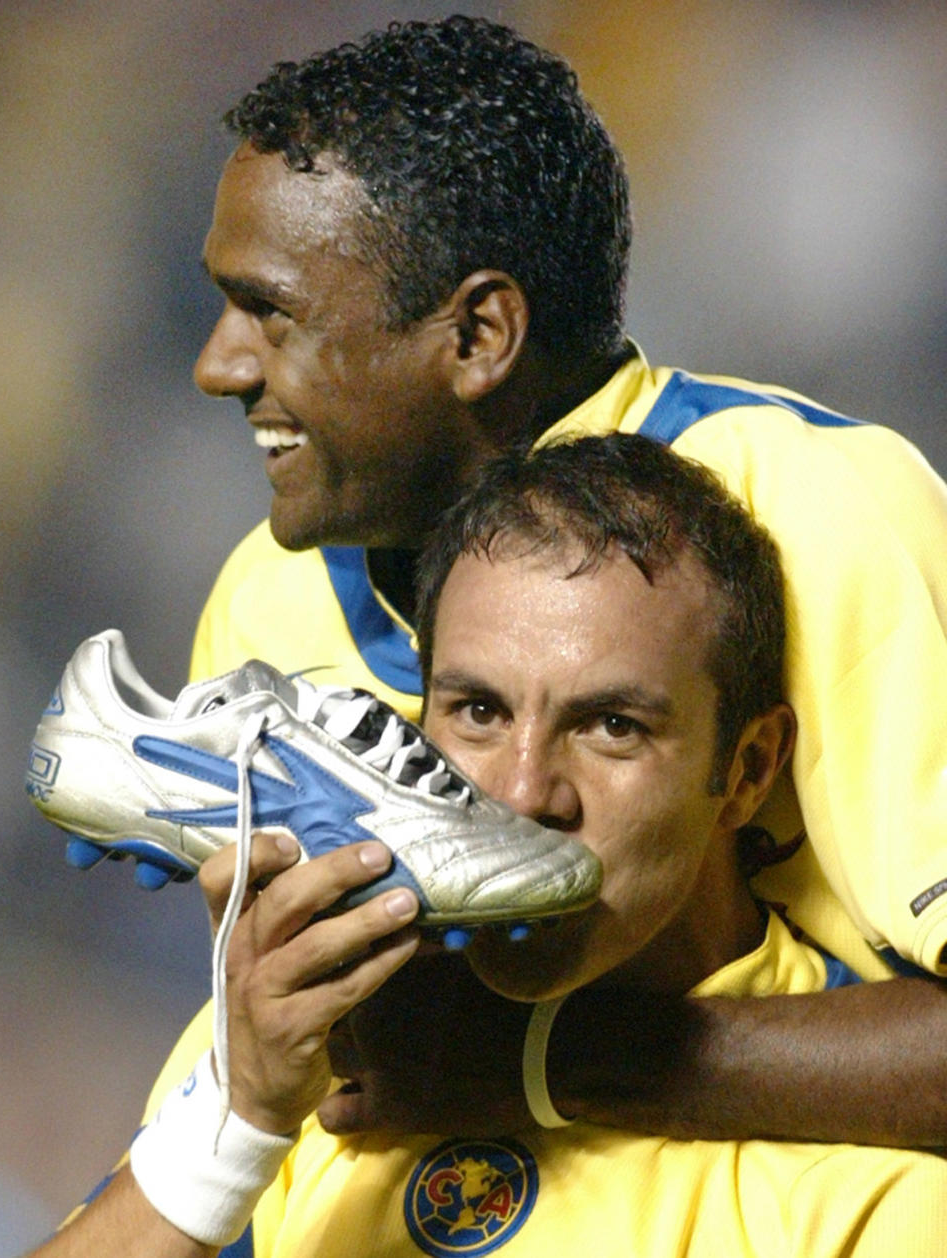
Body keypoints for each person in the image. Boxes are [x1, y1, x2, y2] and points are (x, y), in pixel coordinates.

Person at [170, 14, 947, 1148]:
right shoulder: (262, 608)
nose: (218, 365)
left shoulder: (824, 507)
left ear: (479, 334)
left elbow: (458, 1062)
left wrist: (537, 1064)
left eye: (271, 312)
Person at [32, 434, 947, 1257]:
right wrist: (234, 1133)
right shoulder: (314, 1040)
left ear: (747, 770)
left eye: (612, 728)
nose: (521, 792)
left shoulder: (880, 1189)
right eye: (476, 712)